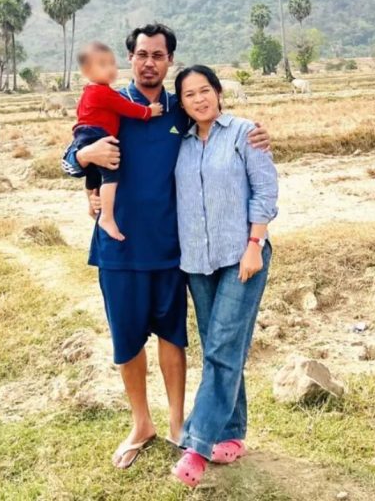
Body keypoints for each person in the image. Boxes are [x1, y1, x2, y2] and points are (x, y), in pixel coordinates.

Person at [61, 24, 271, 470]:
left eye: (158, 55)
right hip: (117, 248)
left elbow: (220, 125)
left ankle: (178, 424)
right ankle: (141, 424)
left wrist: (257, 135)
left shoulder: (180, 109)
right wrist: (83, 158)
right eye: (142, 54)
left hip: (173, 250)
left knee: (173, 337)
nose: (149, 62)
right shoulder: (111, 101)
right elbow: (70, 156)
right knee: (127, 341)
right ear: (130, 59)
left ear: (169, 60)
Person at [169, 65, 278, 488]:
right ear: (182, 104)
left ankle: (196, 446)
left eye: (205, 90)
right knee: (221, 347)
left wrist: (254, 243)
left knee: (221, 347)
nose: (199, 99)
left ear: (218, 92)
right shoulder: (179, 145)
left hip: (241, 255)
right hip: (197, 261)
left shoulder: (245, 133)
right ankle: (231, 433)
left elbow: (265, 190)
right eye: (189, 95)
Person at [71, 41, 163, 241]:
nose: (111, 69)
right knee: (111, 173)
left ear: (169, 58)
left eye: (112, 63)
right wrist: (149, 112)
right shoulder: (106, 93)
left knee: (94, 173)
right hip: (97, 135)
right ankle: (106, 216)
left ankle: (93, 200)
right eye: (103, 65)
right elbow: (127, 108)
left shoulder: (88, 92)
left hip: (84, 134)